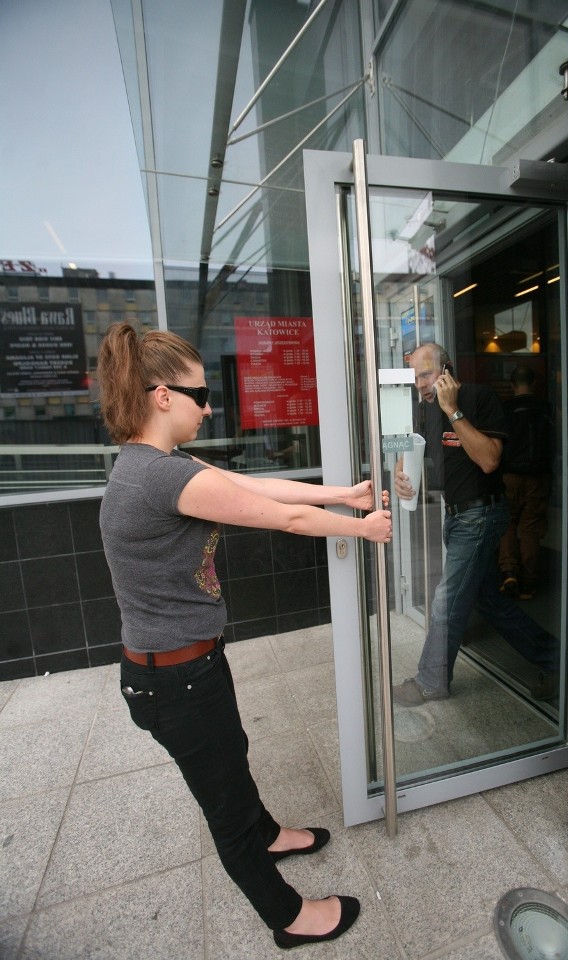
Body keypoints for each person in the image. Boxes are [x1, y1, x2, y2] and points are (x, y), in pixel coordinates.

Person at [96, 322, 392, 950]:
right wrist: (361, 529)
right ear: (161, 396)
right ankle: (288, 917)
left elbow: (253, 488)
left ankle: (270, 834)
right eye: (200, 395)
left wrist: (346, 495)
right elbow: (281, 515)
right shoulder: (157, 477)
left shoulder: (161, 464)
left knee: (233, 754)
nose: (210, 407)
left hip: (186, 665)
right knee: (225, 804)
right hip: (173, 678)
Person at [392, 343, 559, 708]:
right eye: (414, 376)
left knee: (445, 600)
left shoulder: (478, 398)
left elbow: (489, 460)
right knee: (489, 601)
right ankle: (558, 662)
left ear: (446, 370)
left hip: (481, 514)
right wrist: (399, 474)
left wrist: (453, 409)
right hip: (455, 516)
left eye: (426, 374)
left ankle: (430, 681)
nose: (419, 383)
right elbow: (409, 450)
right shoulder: (424, 410)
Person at [498, 364, 554, 600]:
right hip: (538, 477)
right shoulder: (546, 408)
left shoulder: (505, 409)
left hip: (509, 476)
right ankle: (529, 584)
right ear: (533, 384)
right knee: (530, 529)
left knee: (508, 524)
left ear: (512, 385)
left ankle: (510, 572)